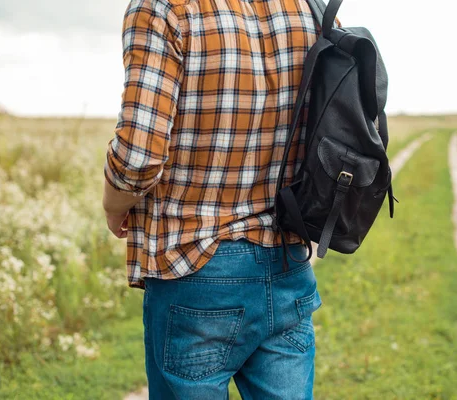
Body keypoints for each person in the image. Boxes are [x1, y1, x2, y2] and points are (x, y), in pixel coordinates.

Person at [102, 0, 339, 398]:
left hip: (195, 267)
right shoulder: (307, 8)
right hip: (287, 262)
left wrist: (113, 206)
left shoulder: (164, 8)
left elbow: (138, 157)